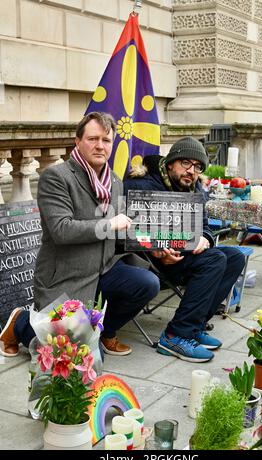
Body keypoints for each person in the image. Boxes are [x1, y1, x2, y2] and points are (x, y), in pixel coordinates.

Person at [0, 112, 160, 358]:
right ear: (78, 141)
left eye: (106, 140)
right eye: (92, 138)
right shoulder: (57, 177)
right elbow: (62, 230)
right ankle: (21, 323)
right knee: (82, 358)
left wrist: (156, 245)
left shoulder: (114, 181)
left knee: (147, 284)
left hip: (104, 270)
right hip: (67, 277)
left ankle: (104, 331)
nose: (100, 145)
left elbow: (120, 230)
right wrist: (110, 223)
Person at [124, 137, 245, 363]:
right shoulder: (139, 185)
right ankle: (176, 335)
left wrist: (205, 239)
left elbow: (206, 227)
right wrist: (155, 249)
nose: (192, 171)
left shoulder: (195, 188)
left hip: (186, 257)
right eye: (186, 164)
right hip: (151, 262)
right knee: (216, 260)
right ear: (171, 163)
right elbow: (125, 231)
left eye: (197, 167)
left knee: (235, 257)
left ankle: (194, 326)